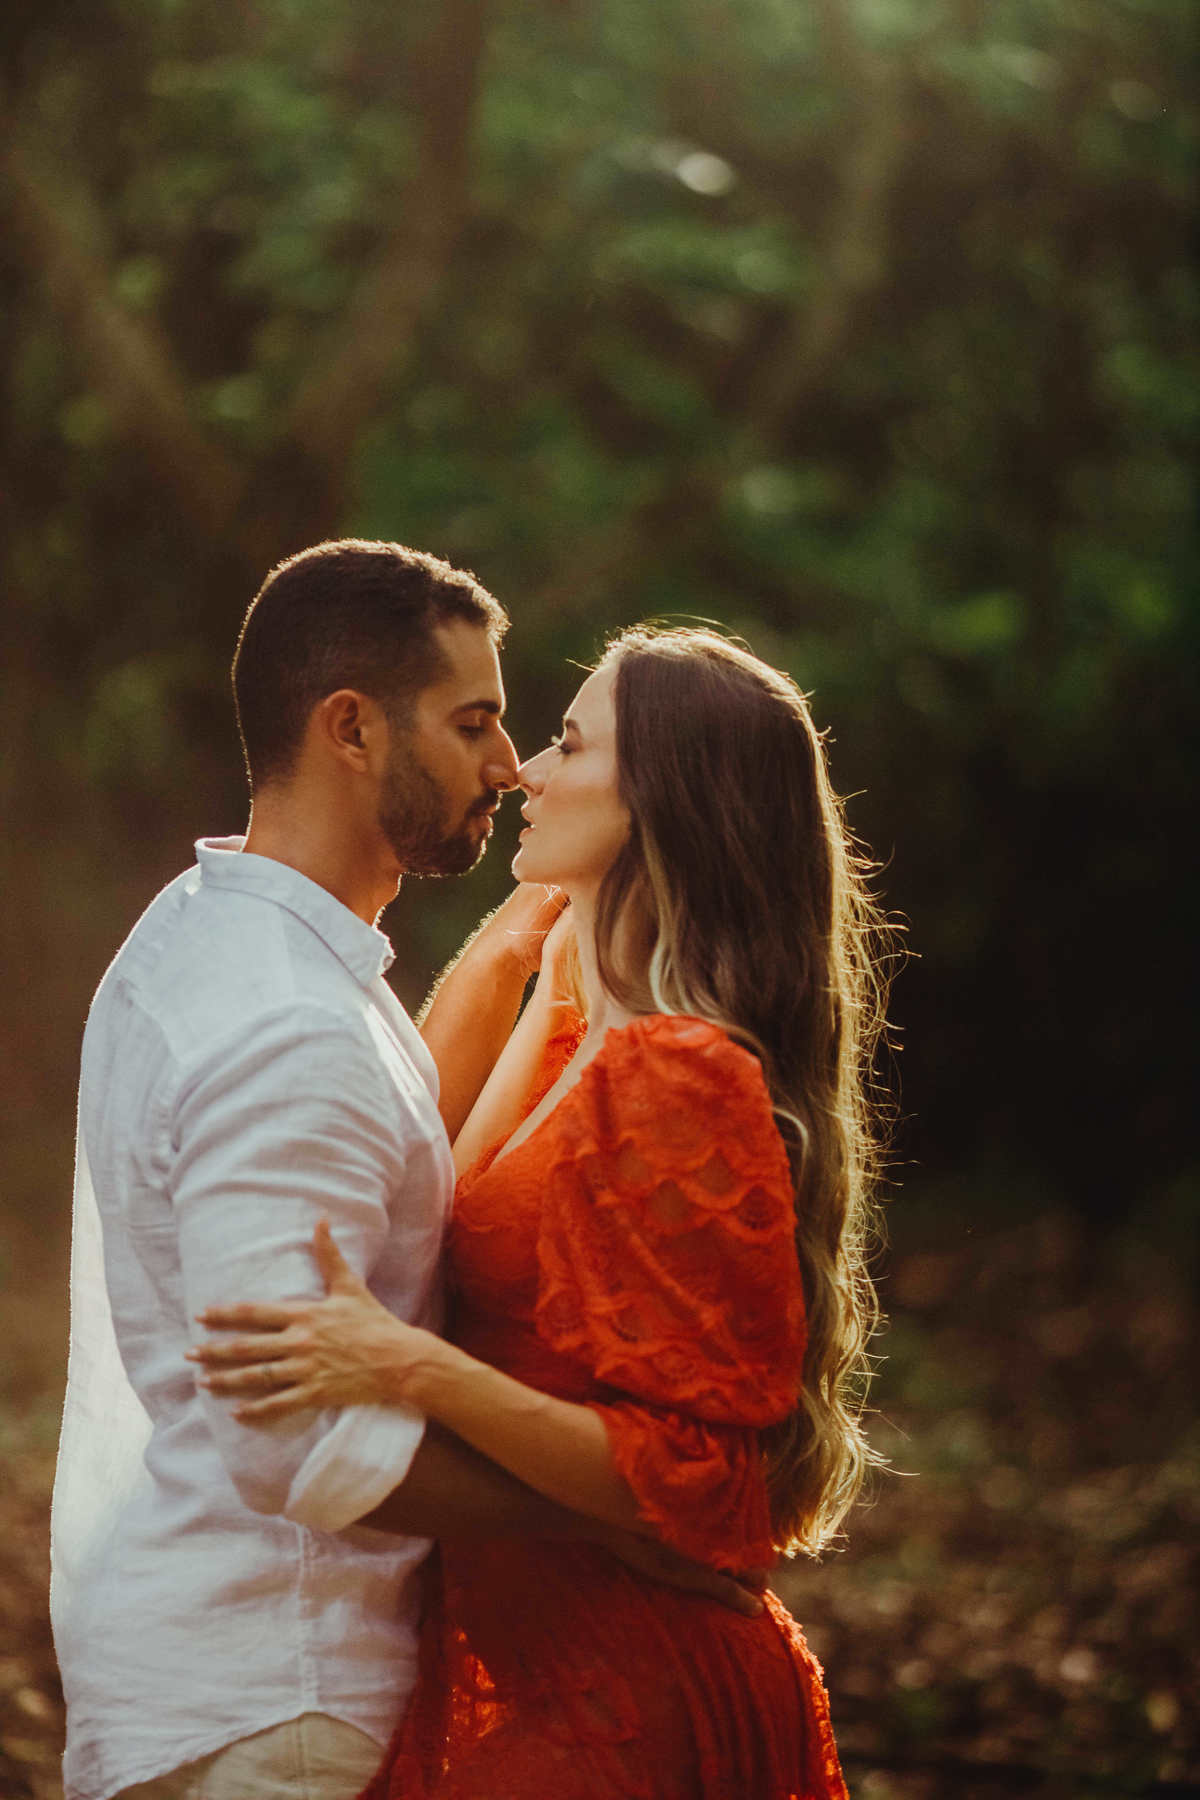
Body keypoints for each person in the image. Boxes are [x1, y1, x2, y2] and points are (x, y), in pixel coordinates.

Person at [51, 543, 746, 1800]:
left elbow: (391, 1164)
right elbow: (303, 1452)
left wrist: (516, 950)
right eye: (473, 721)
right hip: (281, 1703)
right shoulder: (289, 1028)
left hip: (223, 1671)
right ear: (353, 729)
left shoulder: (209, 938)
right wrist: (613, 1525)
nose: (507, 763)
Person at [192, 626, 893, 1800]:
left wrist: (410, 1367)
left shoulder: (676, 1077)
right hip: (537, 1668)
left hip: (628, 1687)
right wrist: (537, 925)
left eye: (569, 744)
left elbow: (695, 1482)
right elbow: (414, 1179)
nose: (524, 770)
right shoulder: (582, 1032)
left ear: (664, 798)